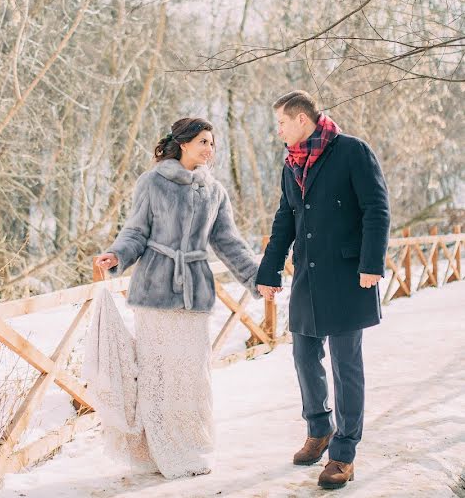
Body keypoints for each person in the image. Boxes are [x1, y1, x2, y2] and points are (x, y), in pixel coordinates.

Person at [95, 117, 261, 479]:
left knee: (192, 375)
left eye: (212, 143)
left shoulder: (214, 191)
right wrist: (117, 256)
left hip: (195, 293)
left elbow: (228, 242)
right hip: (155, 290)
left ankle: (190, 445)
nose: (209, 149)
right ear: (183, 143)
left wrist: (255, 276)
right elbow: (135, 231)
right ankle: (158, 449)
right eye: (203, 141)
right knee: (158, 374)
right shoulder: (152, 182)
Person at [256, 90, 390, 490]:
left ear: (301, 120)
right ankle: (319, 429)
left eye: (281, 121)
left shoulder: (352, 151)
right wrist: (269, 270)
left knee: (346, 365)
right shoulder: (290, 164)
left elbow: (376, 208)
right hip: (307, 279)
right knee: (303, 355)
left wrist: (371, 264)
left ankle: (344, 453)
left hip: (349, 276)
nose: (277, 129)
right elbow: (286, 219)